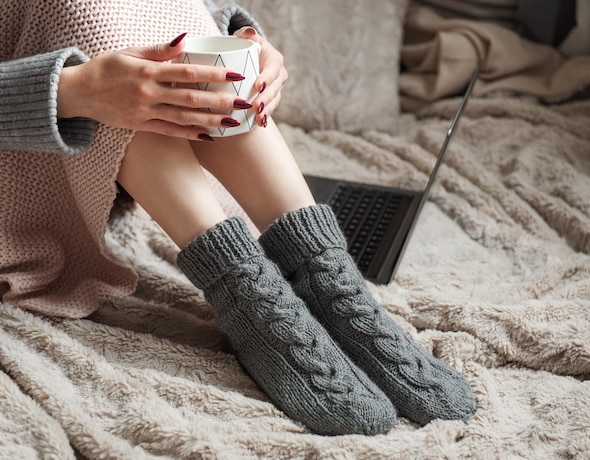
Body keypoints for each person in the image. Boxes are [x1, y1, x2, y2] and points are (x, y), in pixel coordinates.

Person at [0, 0, 476, 436]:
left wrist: (243, 36)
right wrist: (73, 90)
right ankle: (248, 293)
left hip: (114, 144)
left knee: (168, 38)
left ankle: (330, 281)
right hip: (29, 152)